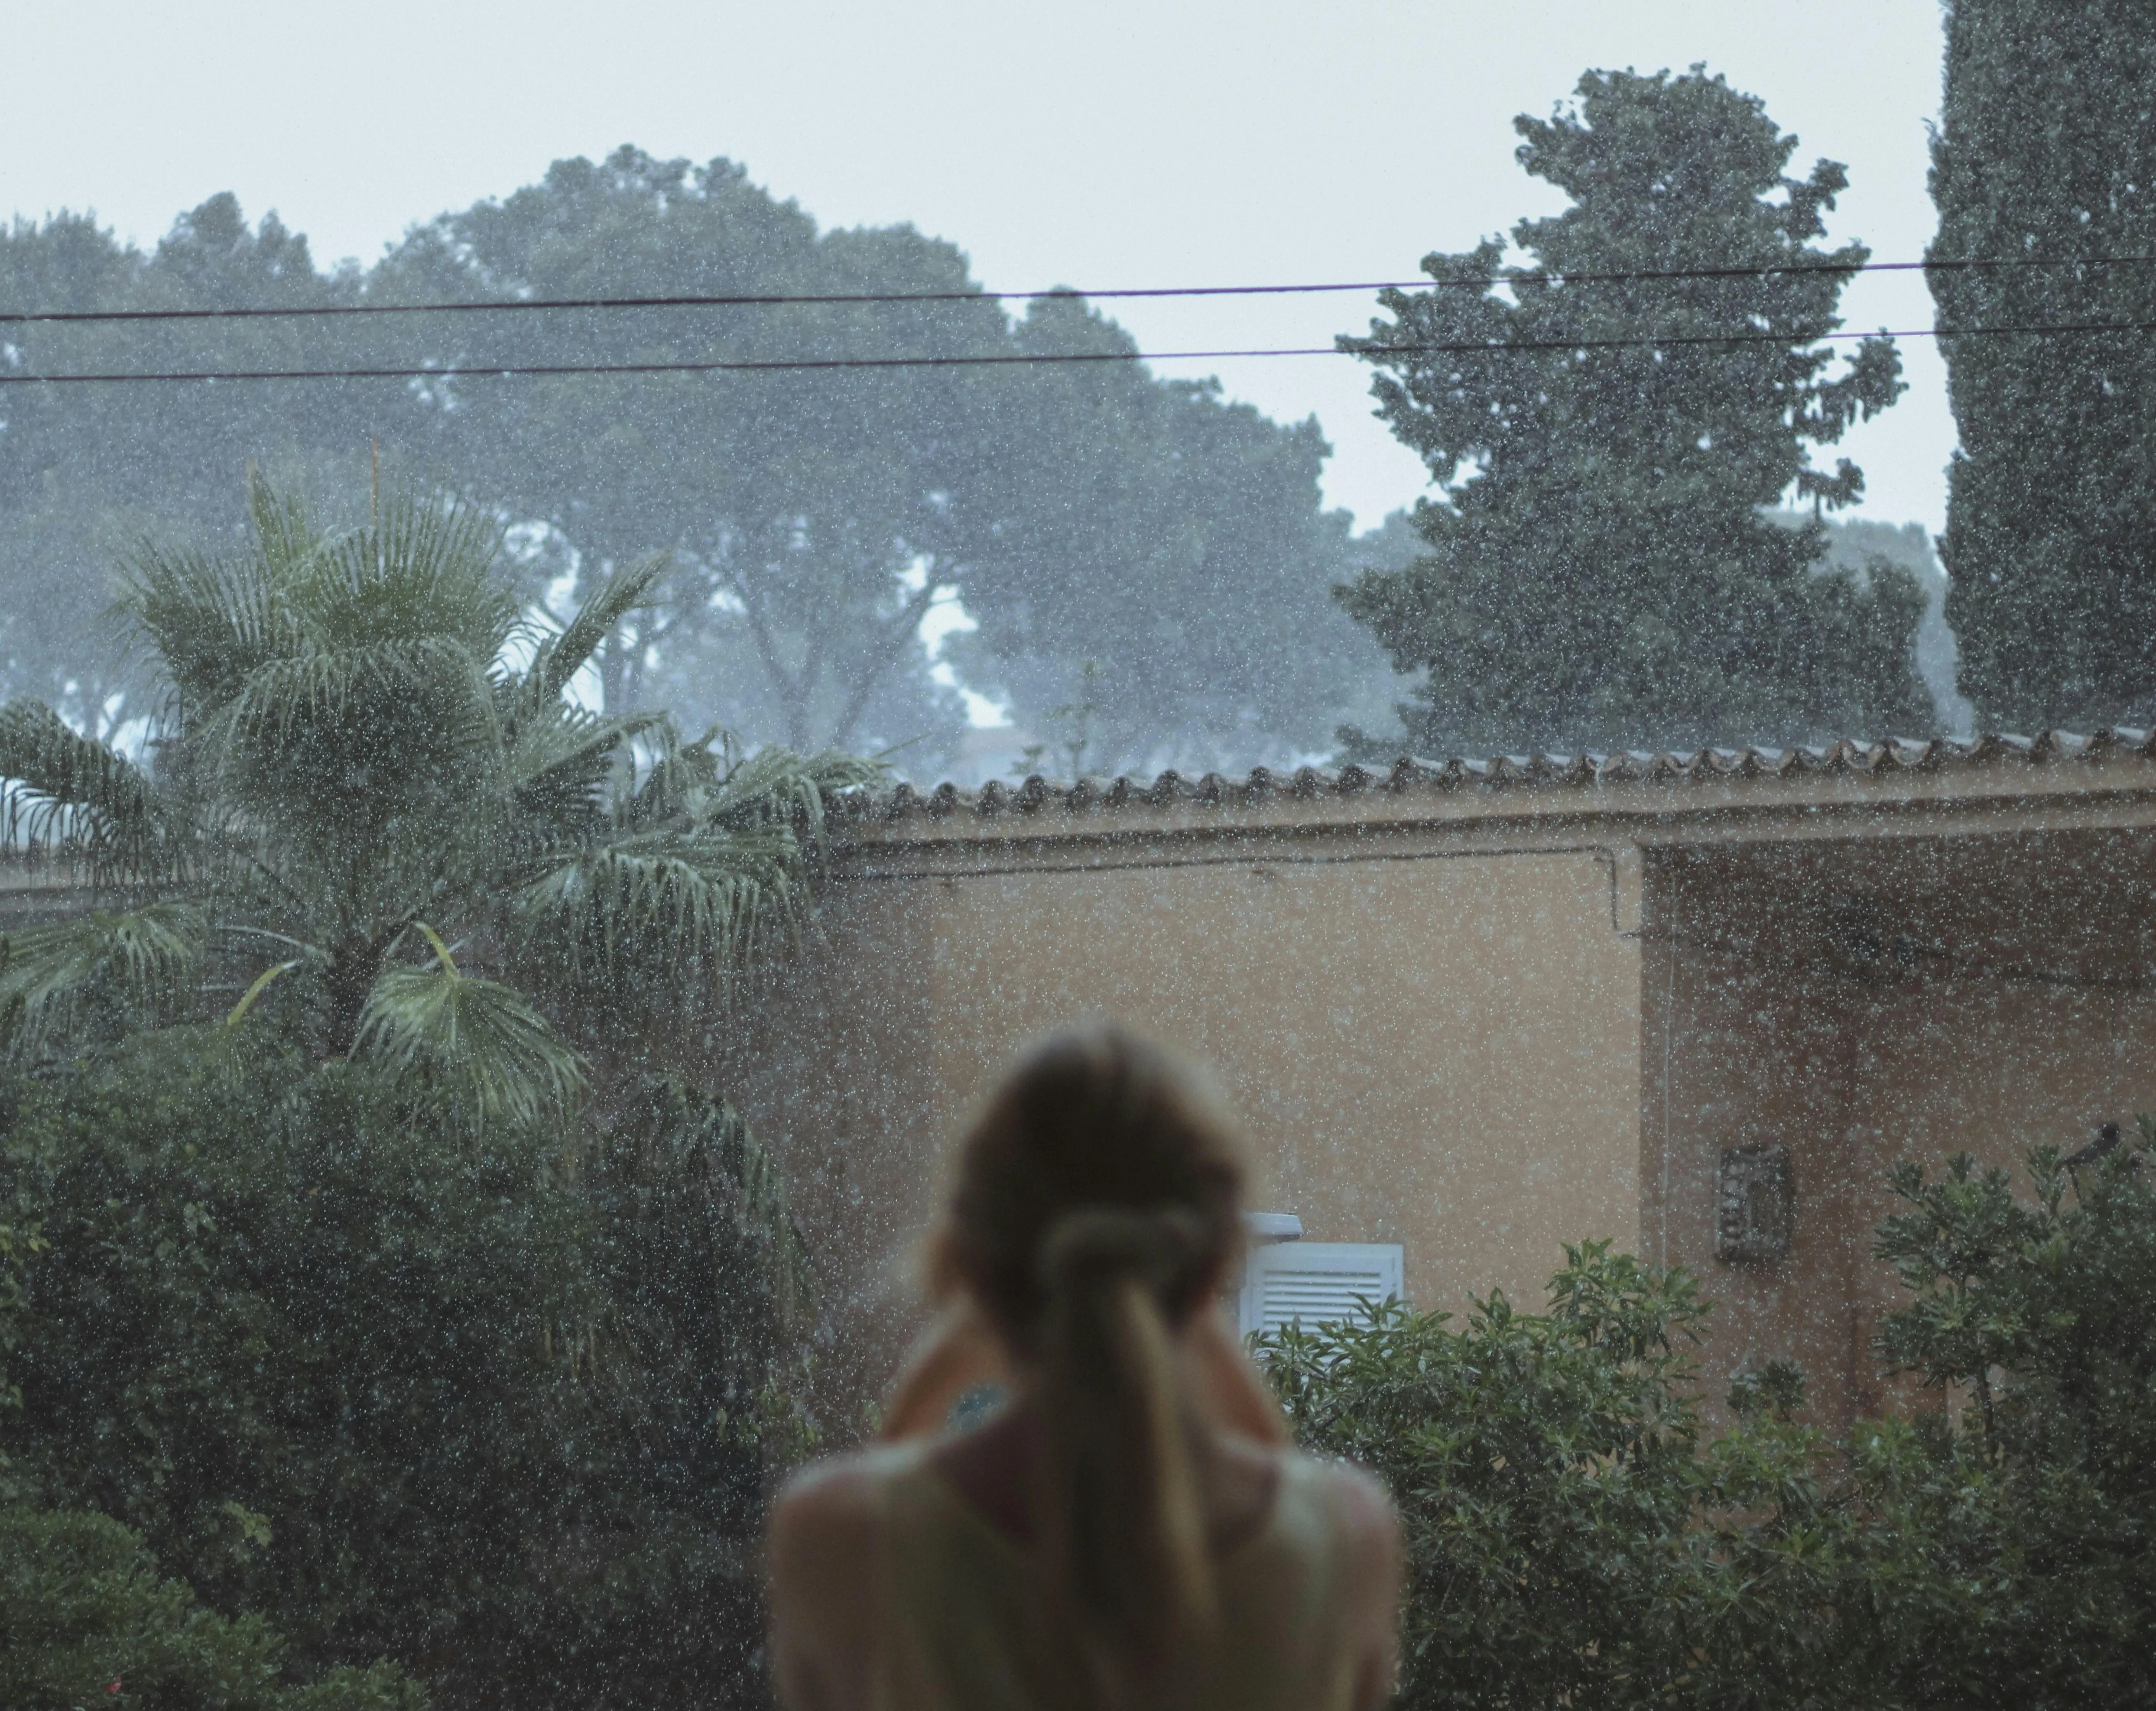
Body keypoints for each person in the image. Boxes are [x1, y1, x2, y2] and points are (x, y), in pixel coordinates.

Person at [769, 1026, 1401, 1711]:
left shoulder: (837, 1536)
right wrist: (1192, 1317)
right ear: (1210, 1270)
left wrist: (948, 1353)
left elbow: (886, 1511)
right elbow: (1289, 1507)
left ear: (970, 1267)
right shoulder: (1348, 1540)